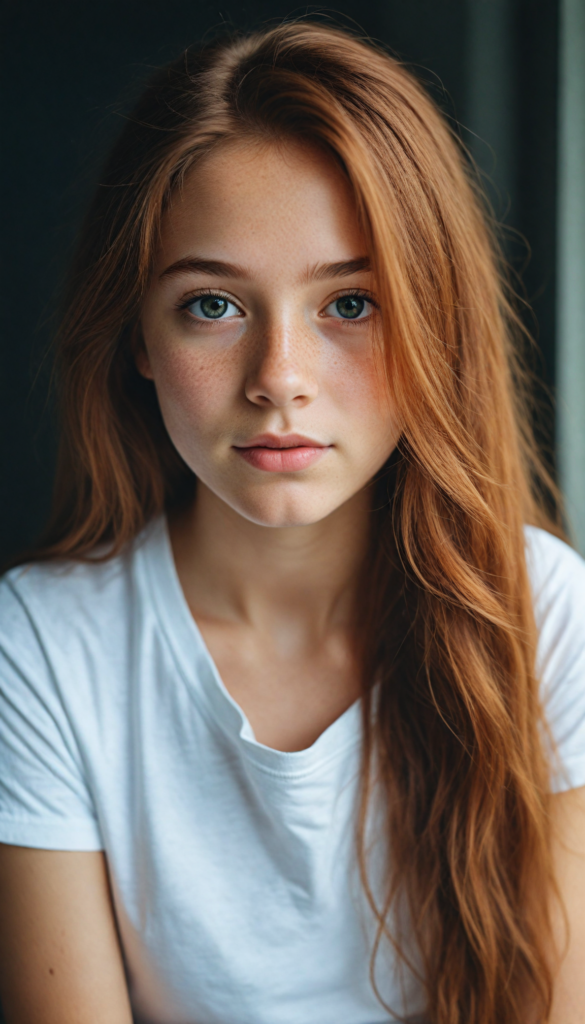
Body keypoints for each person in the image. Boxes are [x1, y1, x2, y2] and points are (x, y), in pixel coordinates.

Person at [0, 21, 584, 1024]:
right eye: (212, 305)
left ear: (435, 322)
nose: (279, 379)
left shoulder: (543, 612)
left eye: (349, 304)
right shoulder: (44, 646)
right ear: (137, 334)